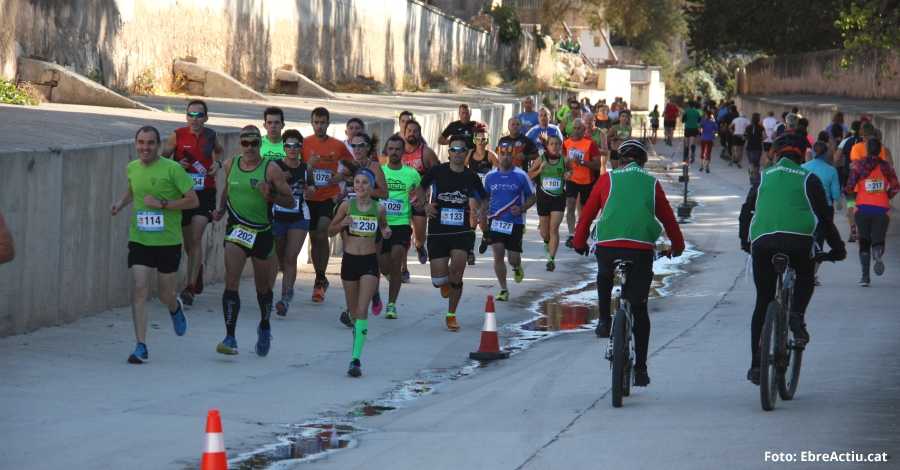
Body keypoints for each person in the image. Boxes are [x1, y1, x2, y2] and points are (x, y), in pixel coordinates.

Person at [572, 140, 685, 387]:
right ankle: (642, 369)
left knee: (604, 272)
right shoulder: (651, 182)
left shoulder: (607, 179)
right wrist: (678, 246)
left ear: (619, 161)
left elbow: (588, 214)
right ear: (643, 162)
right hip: (640, 249)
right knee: (640, 309)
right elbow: (668, 218)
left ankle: (603, 319)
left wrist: (579, 242)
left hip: (609, 245)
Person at [739, 133, 846, 385]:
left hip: (763, 242)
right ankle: (796, 315)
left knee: (763, 301)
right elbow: (825, 218)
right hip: (798, 241)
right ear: (802, 156)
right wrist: (838, 248)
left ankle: (756, 365)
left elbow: (747, 211)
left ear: (775, 154)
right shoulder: (809, 178)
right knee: (806, 274)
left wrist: (745, 241)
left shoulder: (763, 177)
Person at [111, 126, 198, 364]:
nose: (144, 147)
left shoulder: (173, 169)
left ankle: (174, 307)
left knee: (164, 293)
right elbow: (133, 189)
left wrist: (162, 203)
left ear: (158, 145)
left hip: (168, 241)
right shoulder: (132, 168)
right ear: (135, 143)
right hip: (140, 238)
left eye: (150, 143)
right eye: (140, 142)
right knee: (139, 289)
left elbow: (193, 200)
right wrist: (120, 203)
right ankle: (141, 345)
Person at [212, 126, 294, 357]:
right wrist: (219, 210)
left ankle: (265, 325)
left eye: (254, 143)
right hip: (236, 230)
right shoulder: (230, 164)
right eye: (245, 143)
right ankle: (230, 337)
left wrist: (271, 195)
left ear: (260, 144)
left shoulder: (271, 169)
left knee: (263, 288)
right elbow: (226, 191)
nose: (249, 148)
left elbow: (289, 201)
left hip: (262, 233)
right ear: (240, 144)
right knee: (231, 282)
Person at [417, 134, 486, 332]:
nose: (456, 153)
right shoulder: (437, 171)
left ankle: (451, 314)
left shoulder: (471, 176)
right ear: (448, 153)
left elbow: (483, 198)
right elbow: (420, 188)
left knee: (457, 270)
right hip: (438, 231)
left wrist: (480, 212)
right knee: (439, 281)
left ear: (466, 154)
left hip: (461, 231)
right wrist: (425, 206)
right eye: (453, 150)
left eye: (460, 150)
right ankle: (446, 283)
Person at [160, 100, 224, 306]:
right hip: (183, 194)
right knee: (189, 243)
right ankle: (198, 271)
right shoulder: (177, 135)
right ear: (186, 116)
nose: (194, 119)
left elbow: (218, 152)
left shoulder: (211, 136)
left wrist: (217, 164)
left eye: (199, 115)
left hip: (205, 192)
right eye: (191, 115)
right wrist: (177, 164)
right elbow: (162, 160)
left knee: (195, 237)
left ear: (206, 118)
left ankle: (189, 288)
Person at [328, 170, 391, 377]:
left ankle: (355, 359)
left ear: (371, 186)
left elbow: (383, 227)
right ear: (353, 185)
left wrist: (386, 232)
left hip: (369, 262)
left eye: (365, 183)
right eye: (357, 182)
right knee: (354, 312)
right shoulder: (347, 206)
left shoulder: (379, 208)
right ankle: (357, 333)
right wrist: (341, 224)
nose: (360, 186)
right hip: (350, 261)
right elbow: (329, 230)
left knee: (362, 310)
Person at [302, 107, 354, 303]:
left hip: (328, 198)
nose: (320, 126)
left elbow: (353, 166)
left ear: (328, 124)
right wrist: (308, 169)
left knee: (322, 232)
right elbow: (296, 167)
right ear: (312, 123)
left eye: (323, 122)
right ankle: (321, 277)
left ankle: (319, 279)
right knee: (314, 237)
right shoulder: (305, 144)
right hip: (308, 198)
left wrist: (341, 176)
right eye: (316, 122)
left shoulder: (338, 146)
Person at [338, 132, 388, 322]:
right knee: (350, 257)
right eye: (354, 146)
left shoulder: (374, 166)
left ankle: (370, 295)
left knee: (369, 259)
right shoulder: (348, 165)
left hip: (370, 216)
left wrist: (363, 189)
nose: (357, 149)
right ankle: (352, 309)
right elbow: (337, 184)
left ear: (368, 148)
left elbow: (384, 192)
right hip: (351, 215)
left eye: (361, 146)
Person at [483, 142, 536, 301]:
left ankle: (517, 267)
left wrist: (521, 209)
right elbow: (484, 198)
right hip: (496, 222)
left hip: (515, 222)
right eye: (502, 154)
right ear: (497, 155)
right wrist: (481, 212)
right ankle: (504, 289)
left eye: (508, 154)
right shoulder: (490, 176)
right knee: (498, 254)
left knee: (513, 258)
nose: (505, 157)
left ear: (513, 156)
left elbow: (532, 197)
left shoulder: (521, 175)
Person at [845, 139, 899, 286]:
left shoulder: (858, 166)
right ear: (880, 149)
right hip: (882, 209)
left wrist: (856, 194)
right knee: (878, 239)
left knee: (864, 241)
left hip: (862, 208)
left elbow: (849, 187)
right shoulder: (886, 166)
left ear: (867, 149)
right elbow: (895, 186)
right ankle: (878, 253)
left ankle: (865, 277)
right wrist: (886, 196)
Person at [379, 136, 422, 319]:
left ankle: (391, 304)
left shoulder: (412, 174)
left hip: (402, 224)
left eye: (397, 149)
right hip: (381, 224)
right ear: (386, 151)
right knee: (383, 266)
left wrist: (420, 205)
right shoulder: (379, 172)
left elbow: (420, 194)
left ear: (403, 151)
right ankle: (391, 277)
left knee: (396, 261)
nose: (394, 152)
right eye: (391, 149)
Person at [272, 129, 313, 316]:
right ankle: (279, 291)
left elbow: (312, 188)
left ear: (300, 147)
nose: (292, 148)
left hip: (299, 217)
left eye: (296, 145)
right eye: (288, 145)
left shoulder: (306, 168)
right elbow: (267, 189)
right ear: (283, 147)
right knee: (279, 257)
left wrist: (309, 190)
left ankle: (285, 298)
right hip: (277, 216)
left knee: (290, 257)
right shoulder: (275, 166)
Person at [402, 119, 441, 278]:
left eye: (415, 131)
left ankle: (419, 246)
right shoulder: (398, 151)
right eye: (409, 131)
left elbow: (438, 176)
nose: (412, 134)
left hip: (420, 202)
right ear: (404, 133)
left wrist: (434, 200)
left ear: (420, 133)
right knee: (402, 238)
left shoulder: (426, 153)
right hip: (400, 202)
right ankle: (403, 269)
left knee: (419, 236)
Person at [803, 140, 841, 285]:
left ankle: (802, 271)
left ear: (812, 153)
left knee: (805, 239)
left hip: (805, 208)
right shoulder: (831, 170)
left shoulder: (803, 168)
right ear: (825, 154)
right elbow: (836, 195)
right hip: (825, 210)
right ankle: (812, 275)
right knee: (819, 242)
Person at [528, 134, 567, 271]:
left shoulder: (564, 160)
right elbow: (529, 175)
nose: (555, 146)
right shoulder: (541, 159)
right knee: (545, 233)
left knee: (554, 229)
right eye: (552, 144)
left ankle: (551, 259)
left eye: (557, 144)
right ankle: (546, 242)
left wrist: (568, 175)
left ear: (560, 146)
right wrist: (539, 170)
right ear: (548, 146)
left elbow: (573, 172)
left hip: (558, 198)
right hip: (543, 198)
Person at [562, 119, 602, 248]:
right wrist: (564, 172)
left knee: (585, 212)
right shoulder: (566, 143)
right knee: (570, 204)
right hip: (572, 180)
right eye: (574, 128)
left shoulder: (590, 144)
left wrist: (583, 162)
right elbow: (562, 162)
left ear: (584, 130)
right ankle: (571, 234)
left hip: (587, 181)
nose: (576, 130)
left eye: (579, 128)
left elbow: (597, 165)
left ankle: (582, 232)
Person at [744, 113, 766, 184]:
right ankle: (755, 178)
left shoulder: (748, 127)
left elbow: (745, 136)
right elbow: (765, 136)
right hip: (757, 147)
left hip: (749, 147)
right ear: (758, 119)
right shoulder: (761, 127)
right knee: (756, 163)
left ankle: (751, 175)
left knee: (751, 162)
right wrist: (760, 139)